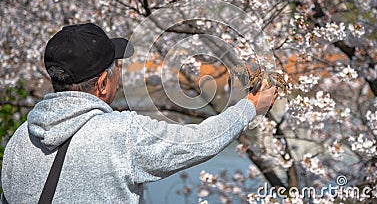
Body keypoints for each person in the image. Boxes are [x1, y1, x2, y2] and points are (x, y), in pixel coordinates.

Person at [1, 23, 277, 203]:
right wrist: (249, 107)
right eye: (116, 68)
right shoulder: (120, 134)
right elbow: (198, 140)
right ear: (102, 84)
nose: (120, 74)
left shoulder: (20, 138)